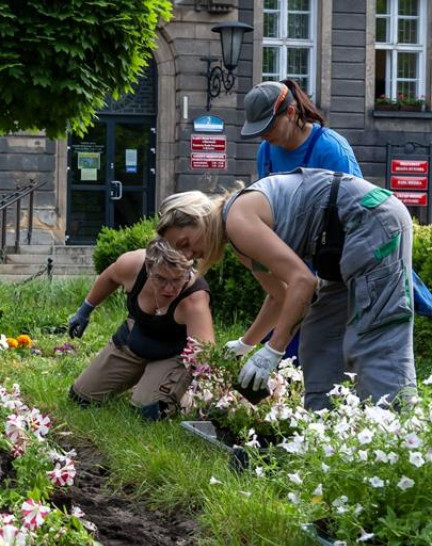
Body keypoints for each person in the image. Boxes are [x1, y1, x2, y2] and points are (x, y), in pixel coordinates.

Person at [157, 168, 416, 411]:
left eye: (185, 243)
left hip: (371, 219)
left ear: (198, 218)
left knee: (373, 337)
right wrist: (246, 345)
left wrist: (273, 350)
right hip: (344, 239)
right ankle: (324, 434)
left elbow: (302, 282)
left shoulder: (238, 220)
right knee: (320, 337)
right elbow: (279, 296)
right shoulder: (237, 236)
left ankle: (398, 438)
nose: (189, 255)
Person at [228, 79, 362, 360]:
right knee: (285, 360)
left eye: (268, 128)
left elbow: (358, 215)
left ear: (291, 113)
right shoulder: (266, 152)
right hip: (295, 268)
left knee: (316, 356)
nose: (264, 137)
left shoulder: (332, 150)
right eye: (259, 131)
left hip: (334, 271)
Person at [66, 237, 214, 420]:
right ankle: (143, 377)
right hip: (137, 339)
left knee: (147, 413)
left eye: (177, 279)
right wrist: (84, 310)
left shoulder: (194, 301)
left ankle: (185, 398)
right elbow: (110, 276)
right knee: (81, 397)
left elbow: (204, 351)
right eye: (161, 279)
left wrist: (203, 388)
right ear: (148, 268)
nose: (169, 288)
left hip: (173, 353)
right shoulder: (132, 265)